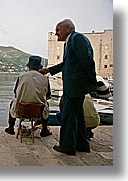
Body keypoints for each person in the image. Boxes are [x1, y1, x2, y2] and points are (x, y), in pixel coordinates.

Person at [39, 19, 97, 155]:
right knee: (78, 115)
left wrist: (93, 81)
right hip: (75, 86)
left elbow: (87, 61)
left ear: (67, 29)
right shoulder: (70, 41)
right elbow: (66, 64)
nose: (55, 33)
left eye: (58, 29)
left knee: (68, 116)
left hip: (75, 86)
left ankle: (67, 146)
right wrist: (49, 70)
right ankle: (82, 144)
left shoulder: (77, 39)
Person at [5, 55, 52, 137]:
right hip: (38, 111)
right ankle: (44, 130)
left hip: (21, 109)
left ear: (29, 66)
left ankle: (11, 128)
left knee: (12, 103)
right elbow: (48, 95)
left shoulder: (22, 76)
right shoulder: (45, 79)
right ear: (39, 67)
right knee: (46, 105)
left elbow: (15, 92)